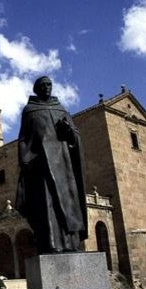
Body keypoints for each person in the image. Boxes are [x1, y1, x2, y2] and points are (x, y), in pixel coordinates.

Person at [15, 76, 87, 254]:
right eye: (43, 85)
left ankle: (72, 243)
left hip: (63, 163)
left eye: (49, 84)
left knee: (69, 201)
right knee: (47, 204)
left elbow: (75, 136)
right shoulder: (29, 111)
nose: (47, 87)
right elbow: (24, 138)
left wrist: (70, 133)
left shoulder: (61, 109)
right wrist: (25, 159)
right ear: (36, 89)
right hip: (42, 164)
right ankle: (52, 244)